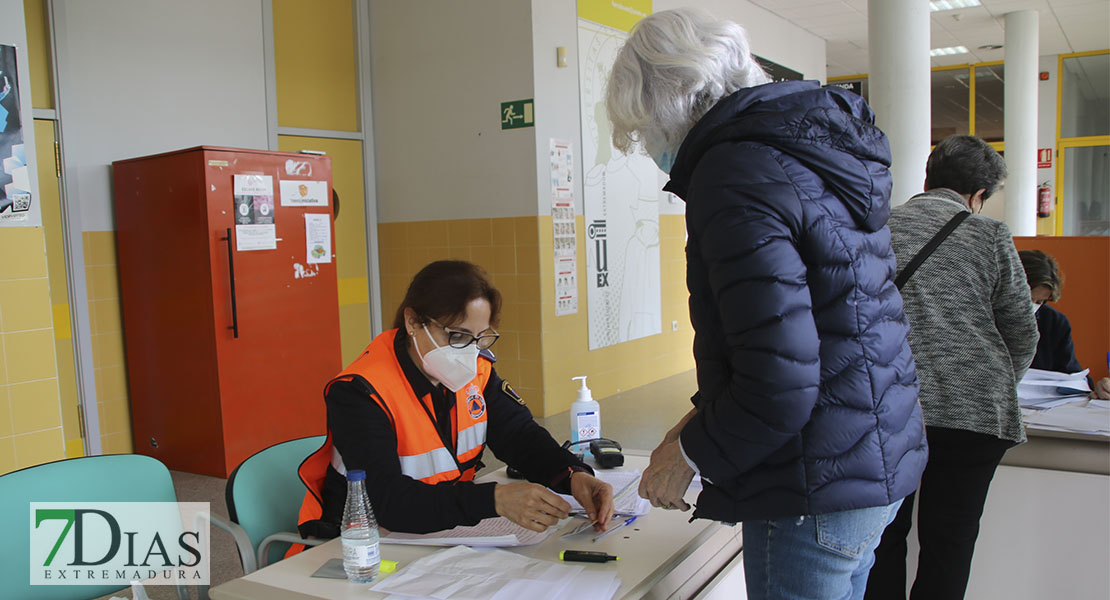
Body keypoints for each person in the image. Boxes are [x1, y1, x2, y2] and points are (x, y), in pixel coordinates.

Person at [604, 9, 926, 599]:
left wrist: (692, 455)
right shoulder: (811, 151)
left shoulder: (734, 172)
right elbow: (823, 328)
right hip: (870, 457)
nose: (649, 147)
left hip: (812, 482)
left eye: (644, 129)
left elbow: (779, 382)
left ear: (671, 102)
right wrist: (697, 417)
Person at [293, 260, 614, 544]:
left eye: (480, 338)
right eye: (457, 336)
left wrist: (573, 475)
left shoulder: (475, 373)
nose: (469, 353)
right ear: (413, 322)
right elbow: (388, 502)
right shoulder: (360, 393)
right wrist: (494, 499)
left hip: (441, 531)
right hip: (364, 544)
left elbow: (520, 436)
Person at [866, 135, 1040, 600]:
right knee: (949, 542)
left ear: (928, 178)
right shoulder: (989, 234)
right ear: (978, 195)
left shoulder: (877, 226)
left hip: (888, 409)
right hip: (972, 417)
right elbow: (1023, 331)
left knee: (882, 538)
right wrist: (996, 380)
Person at [1019, 249, 1110, 399]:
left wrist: (1098, 388)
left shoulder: (1054, 322)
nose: (1031, 308)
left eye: (1040, 302)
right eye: (1027, 299)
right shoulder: (979, 319)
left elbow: (1071, 377)